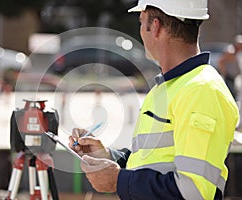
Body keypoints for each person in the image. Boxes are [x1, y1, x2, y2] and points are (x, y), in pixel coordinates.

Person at [68, 0, 239, 199]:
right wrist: (109, 157)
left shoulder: (201, 90)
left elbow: (193, 192)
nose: (141, 31)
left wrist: (118, 180)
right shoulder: (172, 86)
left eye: (142, 22)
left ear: (155, 26)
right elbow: (153, 162)